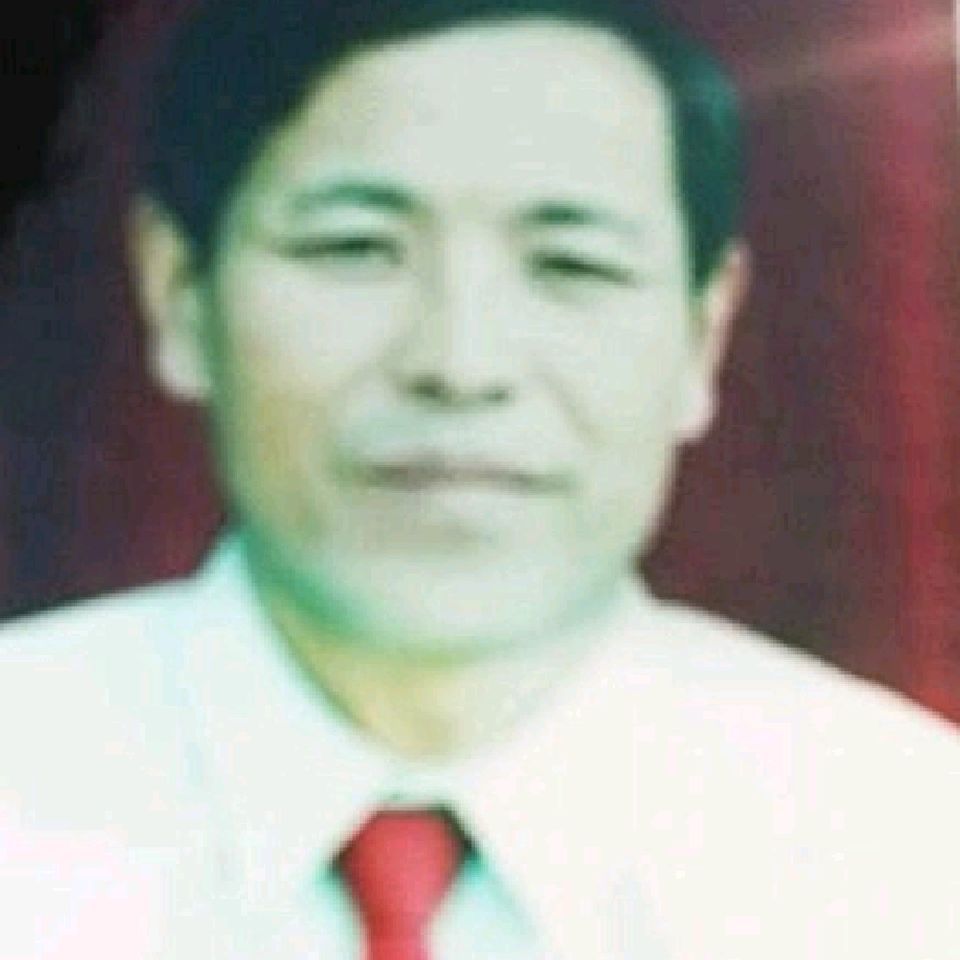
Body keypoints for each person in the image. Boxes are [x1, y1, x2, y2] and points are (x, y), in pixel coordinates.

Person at [1, 1, 957, 957]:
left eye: (572, 264)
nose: (461, 363)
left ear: (701, 338)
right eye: (354, 248)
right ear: (179, 294)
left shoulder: (906, 850)